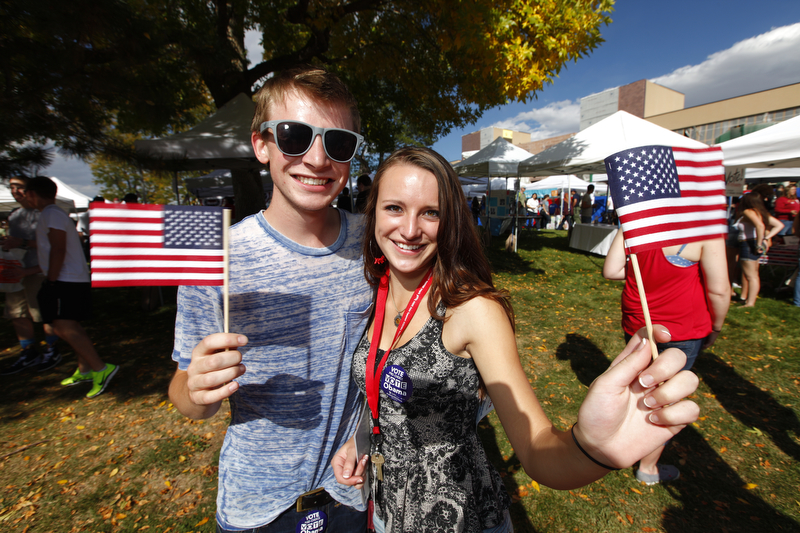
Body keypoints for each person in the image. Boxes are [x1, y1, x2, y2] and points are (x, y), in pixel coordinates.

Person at [332, 147, 699, 532]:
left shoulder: (471, 309)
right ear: (371, 212)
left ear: (451, 220)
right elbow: (384, 388)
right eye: (394, 208)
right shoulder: (377, 289)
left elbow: (537, 447)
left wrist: (592, 451)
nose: (409, 229)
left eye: (431, 212)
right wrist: (362, 442)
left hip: (458, 517)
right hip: (385, 508)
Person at [168, 65, 372, 532]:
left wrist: (361, 438)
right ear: (261, 145)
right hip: (257, 509)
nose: (318, 159)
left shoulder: (375, 245)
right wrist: (198, 390)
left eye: (338, 142)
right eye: (295, 135)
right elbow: (185, 397)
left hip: (351, 494)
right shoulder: (219, 260)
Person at [603, 230, 730, 484]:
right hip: (681, 327)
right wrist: (716, 326)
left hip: (639, 325)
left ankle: (624, 446)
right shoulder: (704, 230)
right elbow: (719, 290)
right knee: (664, 398)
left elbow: (613, 270)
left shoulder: (638, 222)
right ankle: (647, 467)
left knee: (643, 387)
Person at [24, 176, 118, 398]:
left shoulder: (51, 213)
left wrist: (52, 280)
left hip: (66, 279)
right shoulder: (53, 213)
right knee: (69, 325)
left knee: (62, 326)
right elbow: (50, 246)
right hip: (68, 278)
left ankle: (101, 369)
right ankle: (85, 369)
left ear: (32, 194)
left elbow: (58, 248)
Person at [0, 176, 62, 375]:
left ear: (32, 191)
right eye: (12, 188)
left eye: (20, 187)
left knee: (43, 313)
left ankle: (52, 348)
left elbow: (53, 245)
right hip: (15, 270)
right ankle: (28, 351)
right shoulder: (15, 215)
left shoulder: (45, 214)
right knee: (17, 312)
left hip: (38, 269)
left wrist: (22, 243)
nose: (16, 191)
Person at [736, 193, 782, 307]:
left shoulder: (748, 211)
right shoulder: (761, 212)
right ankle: (749, 301)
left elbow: (760, 226)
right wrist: (765, 238)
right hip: (754, 243)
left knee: (751, 276)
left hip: (748, 243)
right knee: (754, 275)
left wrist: (759, 243)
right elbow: (779, 225)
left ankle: (750, 302)